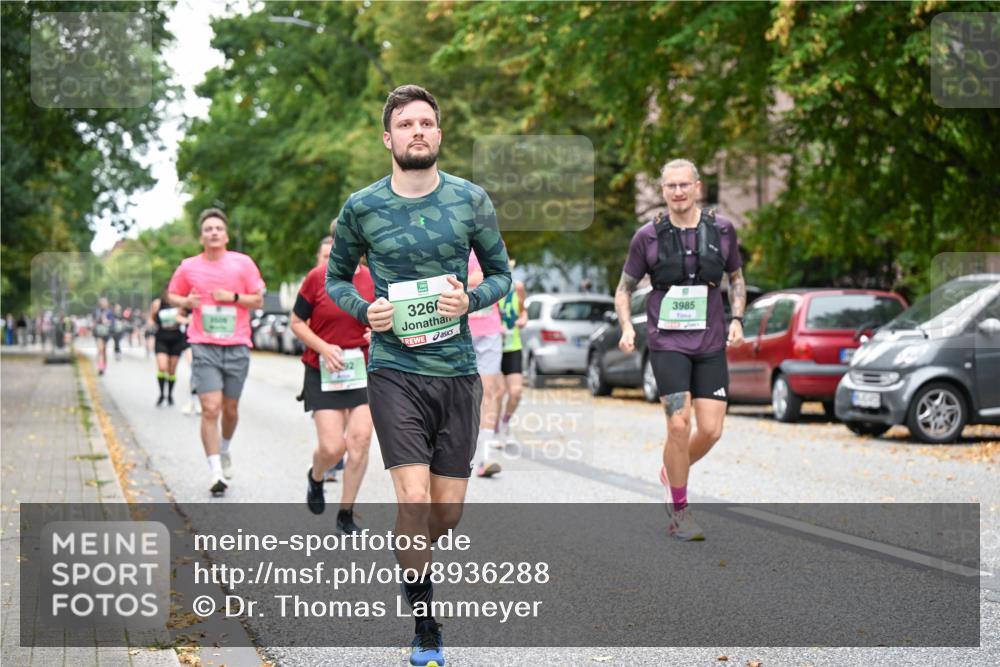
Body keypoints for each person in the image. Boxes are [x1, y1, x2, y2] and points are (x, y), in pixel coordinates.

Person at [325, 84, 510, 667]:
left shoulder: (471, 200)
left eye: (426, 123)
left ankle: (413, 553)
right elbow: (335, 280)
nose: (418, 132)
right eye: (406, 124)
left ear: (440, 133)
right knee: (412, 497)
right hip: (394, 369)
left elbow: (502, 275)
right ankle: (425, 626)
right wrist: (364, 310)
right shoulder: (362, 207)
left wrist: (471, 300)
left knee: (445, 514)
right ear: (389, 138)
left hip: (456, 371)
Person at [616, 158, 746, 542]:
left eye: (683, 185)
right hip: (667, 342)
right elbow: (624, 288)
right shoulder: (648, 237)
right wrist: (626, 326)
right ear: (662, 191)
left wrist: (737, 318)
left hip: (710, 341)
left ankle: (673, 467)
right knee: (678, 423)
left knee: (711, 430)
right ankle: (680, 511)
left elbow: (736, 279)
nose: (677, 192)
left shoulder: (722, 230)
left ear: (697, 187)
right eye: (670, 186)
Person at [167, 208, 265, 496]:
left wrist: (233, 297)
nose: (213, 232)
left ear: (226, 235)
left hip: (236, 345)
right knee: (210, 408)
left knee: (230, 409)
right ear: (201, 236)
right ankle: (215, 473)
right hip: (203, 344)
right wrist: (187, 300)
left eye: (218, 229)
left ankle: (224, 449)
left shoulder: (243, 264)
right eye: (208, 229)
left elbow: (257, 300)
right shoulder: (188, 267)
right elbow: (172, 295)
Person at [292, 230, 376, 534]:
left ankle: (346, 512)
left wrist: (379, 332)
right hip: (323, 368)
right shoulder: (318, 277)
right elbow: (297, 322)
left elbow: (390, 317)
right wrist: (324, 347)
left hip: (365, 368)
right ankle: (316, 477)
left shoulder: (375, 277)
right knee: (332, 448)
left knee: (360, 442)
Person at [467, 251, 505, 477]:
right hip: (458, 330)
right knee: (457, 393)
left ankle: (486, 457)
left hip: (490, 330)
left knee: (487, 392)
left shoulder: (493, 243)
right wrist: (475, 279)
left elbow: (502, 280)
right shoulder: (452, 235)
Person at [496, 259, 528, 447]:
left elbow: (523, 312)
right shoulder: (488, 286)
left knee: (516, 392)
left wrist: (523, 320)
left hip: (512, 345)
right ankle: (493, 431)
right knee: (498, 392)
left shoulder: (518, 287)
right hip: (493, 346)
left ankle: (505, 422)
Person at [149, 288, 188, 406]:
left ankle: (170, 394)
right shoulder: (157, 303)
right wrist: (150, 333)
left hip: (176, 338)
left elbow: (187, 318)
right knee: (162, 367)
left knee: (172, 370)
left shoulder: (181, 304)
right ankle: (161, 394)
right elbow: (151, 319)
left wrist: (183, 319)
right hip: (162, 337)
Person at [93, 298, 114, 375]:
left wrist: (107, 321)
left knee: (104, 351)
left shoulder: (109, 312)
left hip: (106, 333)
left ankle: (104, 366)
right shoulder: (96, 311)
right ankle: (100, 367)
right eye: (101, 303)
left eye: (104, 303)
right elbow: (93, 321)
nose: (103, 304)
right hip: (98, 332)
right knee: (100, 350)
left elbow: (112, 322)